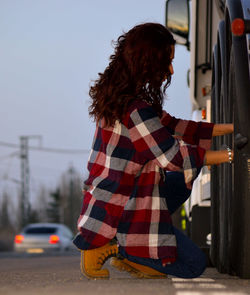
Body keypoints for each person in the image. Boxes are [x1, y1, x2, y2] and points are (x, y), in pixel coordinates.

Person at [73, 23, 234, 279]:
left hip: (112, 197)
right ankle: (123, 248)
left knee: (181, 182)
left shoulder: (120, 97)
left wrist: (232, 128)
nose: (171, 70)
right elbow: (172, 157)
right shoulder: (135, 111)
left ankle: (136, 249)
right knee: (193, 264)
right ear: (148, 61)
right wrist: (230, 156)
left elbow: (175, 126)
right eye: (166, 62)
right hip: (122, 207)